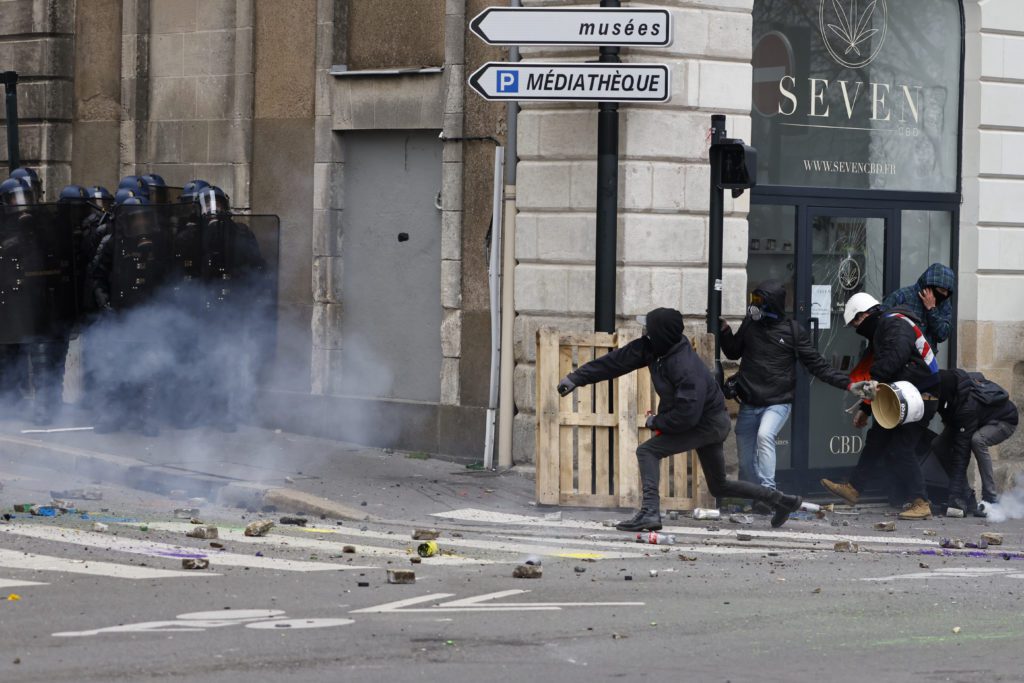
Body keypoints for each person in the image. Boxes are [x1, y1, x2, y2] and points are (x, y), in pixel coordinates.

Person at [557, 307, 804, 531]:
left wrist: (657, 422)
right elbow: (616, 362)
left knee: (648, 451)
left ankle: (650, 512)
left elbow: (687, 415)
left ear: (661, 334)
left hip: (709, 424)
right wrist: (576, 378)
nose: (645, 331)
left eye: (649, 328)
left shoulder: (685, 368)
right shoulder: (654, 347)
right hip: (699, 420)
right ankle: (783, 501)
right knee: (719, 486)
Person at [720, 280, 857, 510]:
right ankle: (758, 496)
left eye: (758, 302)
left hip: (778, 401)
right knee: (745, 459)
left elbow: (817, 366)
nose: (753, 306)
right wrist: (725, 331)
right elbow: (733, 351)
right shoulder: (750, 325)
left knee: (765, 436)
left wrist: (849, 385)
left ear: (770, 304)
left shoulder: (793, 331)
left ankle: (770, 493)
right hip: (750, 401)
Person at [820, 293, 941, 520]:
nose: (856, 327)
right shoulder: (886, 326)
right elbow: (886, 371)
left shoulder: (894, 324)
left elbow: (894, 358)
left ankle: (921, 502)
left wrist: (874, 378)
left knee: (901, 449)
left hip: (921, 396)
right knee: (876, 440)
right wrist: (866, 409)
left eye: (856, 322)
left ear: (865, 314)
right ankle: (854, 489)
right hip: (906, 394)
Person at [932, 370, 1018, 512]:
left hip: (1004, 420)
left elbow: (962, 452)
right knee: (938, 445)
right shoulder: (949, 394)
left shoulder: (966, 406)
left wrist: (954, 495)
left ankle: (990, 499)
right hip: (975, 419)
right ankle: (967, 495)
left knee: (978, 440)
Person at [882, 263, 955, 354]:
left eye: (947, 292)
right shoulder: (902, 296)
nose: (944, 295)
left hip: (926, 360)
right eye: (942, 290)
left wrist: (932, 309)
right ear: (929, 285)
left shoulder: (944, 304)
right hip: (900, 356)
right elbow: (882, 324)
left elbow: (942, 334)